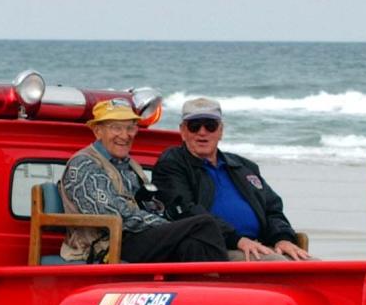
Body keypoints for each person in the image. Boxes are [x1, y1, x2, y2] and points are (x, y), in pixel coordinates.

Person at [59, 98, 226, 264]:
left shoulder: (130, 165)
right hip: (106, 246)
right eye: (116, 128)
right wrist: (167, 226)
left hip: (136, 237)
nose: (125, 135)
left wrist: (166, 217)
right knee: (204, 223)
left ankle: (209, 281)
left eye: (130, 128)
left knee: (191, 245)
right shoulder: (84, 164)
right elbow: (114, 216)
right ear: (97, 131)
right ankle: (226, 275)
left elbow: (149, 206)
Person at [154, 97, 310, 261]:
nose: (202, 132)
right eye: (194, 126)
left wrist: (282, 238)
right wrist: (236, 240)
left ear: (220, 131)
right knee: (278, 264)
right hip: (213, 250)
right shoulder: (172, 164)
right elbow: (185, 211)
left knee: (314, 266)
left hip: (259, 245)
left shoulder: (243, 166)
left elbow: (272, 208)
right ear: (183, 131)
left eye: (210, 125)